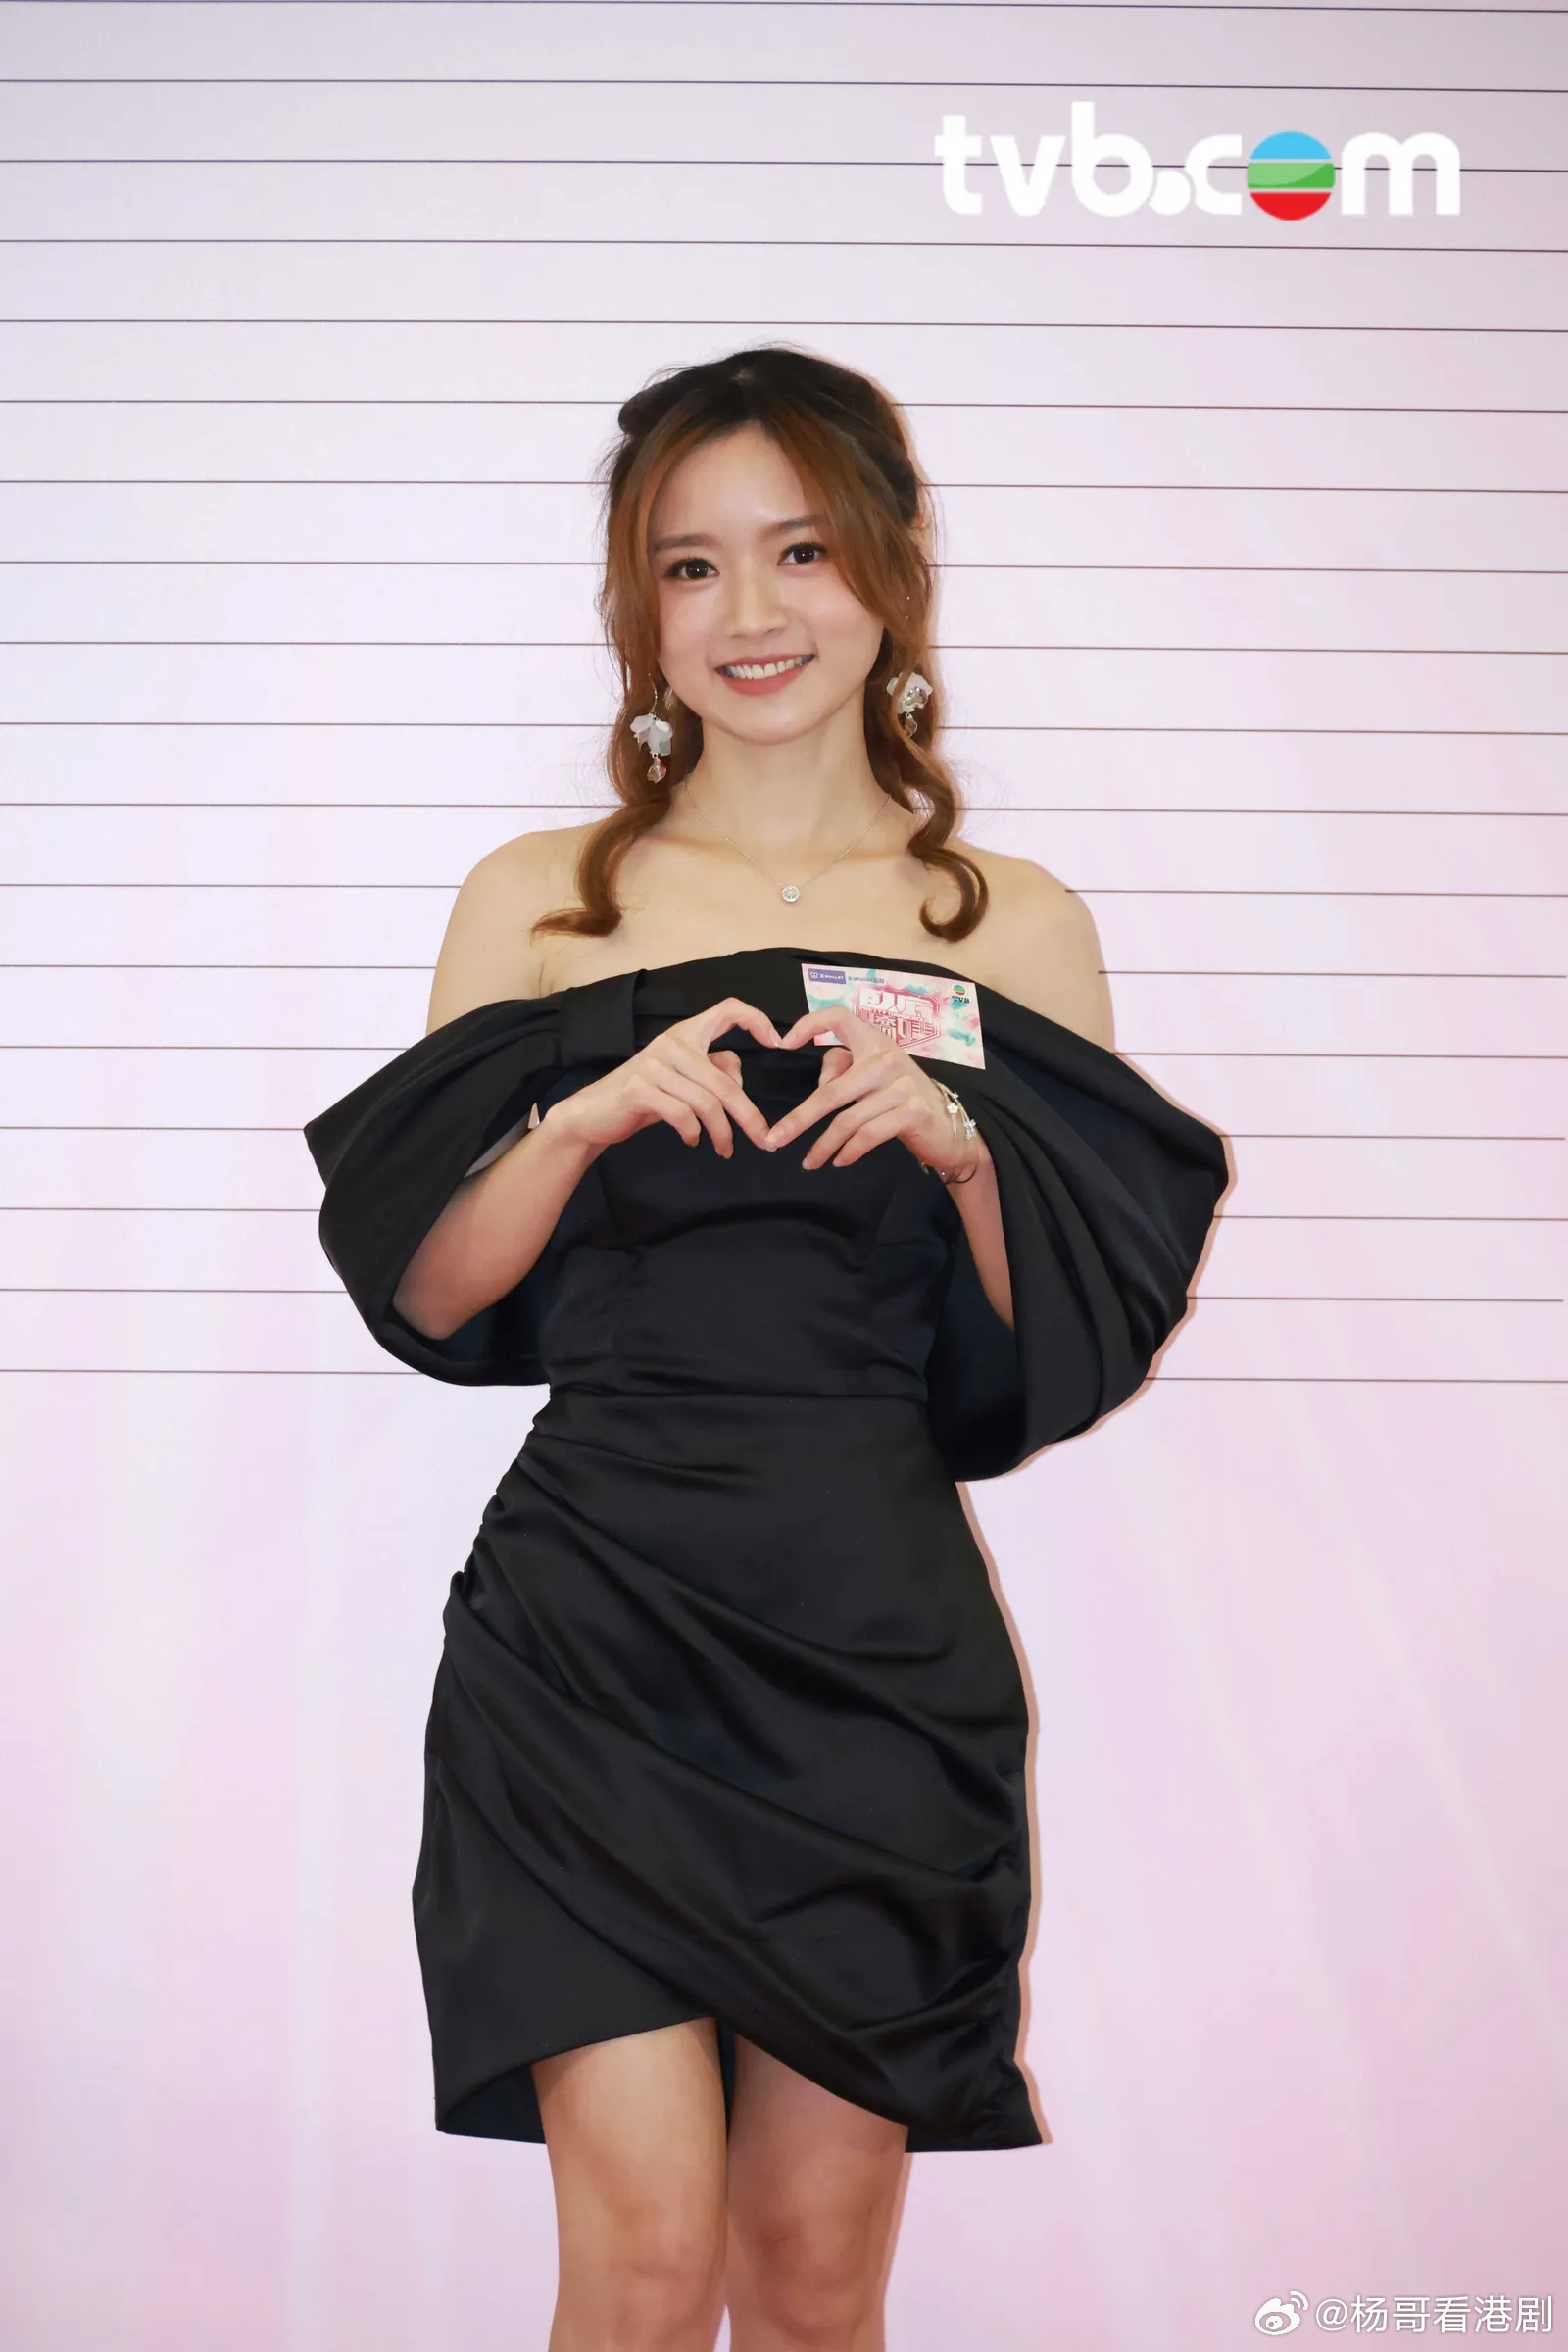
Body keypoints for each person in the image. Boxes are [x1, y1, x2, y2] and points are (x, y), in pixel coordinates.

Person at [304, 345, 1228, 2352]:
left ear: (889, 570)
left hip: (872, 1659)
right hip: (587, 1645)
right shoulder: (540, 905)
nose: (751, 612)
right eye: (691, 564)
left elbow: (1069, 1345)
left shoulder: (1010, 928)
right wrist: (581, 1118)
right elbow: (426, 1292)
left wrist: (967, 1151)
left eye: (799, 551)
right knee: (639, 2269)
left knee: (811, 2285)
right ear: (638, 608)